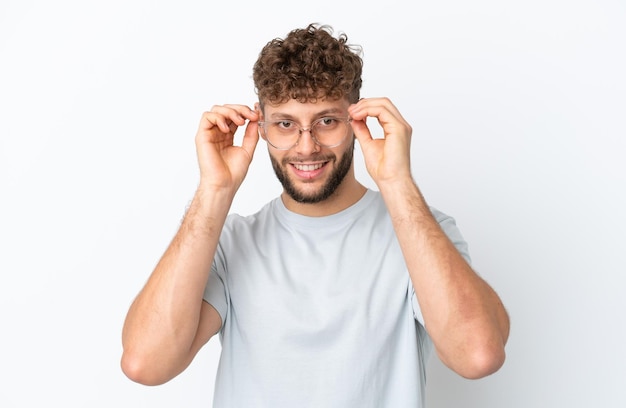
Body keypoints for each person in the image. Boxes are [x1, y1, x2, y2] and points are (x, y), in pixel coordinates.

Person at [121, 23, 510, 407]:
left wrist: (397, 181)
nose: (306, 147)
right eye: (286, 124)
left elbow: (477, 354)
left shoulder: (423, 233)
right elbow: (146, 364)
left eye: (326, 121)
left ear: (357, 121)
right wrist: (214, 190)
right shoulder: (229, 243)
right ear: (262, 126)